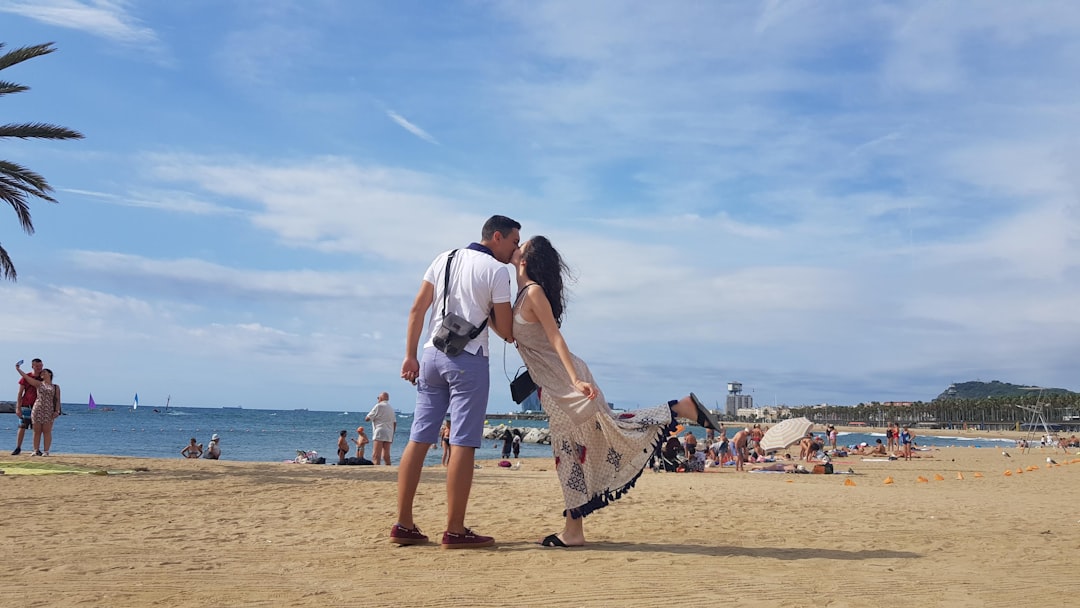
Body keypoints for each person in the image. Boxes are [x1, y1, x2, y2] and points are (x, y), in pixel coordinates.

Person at [510, 235, 721, 547]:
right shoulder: (520, 295)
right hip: (555, 384)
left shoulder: (533, 293)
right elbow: (507, 334)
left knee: (579, 448)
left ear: (527, 259)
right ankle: (678, 407)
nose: (517, 246)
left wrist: (576, 381)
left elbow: (556, 338)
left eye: (521, 244)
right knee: (581, 446)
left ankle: (574, 531)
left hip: (565, 383)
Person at [392, 215, 520, 549]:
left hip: (431, 354)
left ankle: (404, 523)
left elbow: (417, 309)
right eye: (514, 242)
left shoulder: (444, 257)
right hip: (469, 358)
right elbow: (506, 332)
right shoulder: (497, 271)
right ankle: (455, 529)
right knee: (463, 442)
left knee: (419, 439)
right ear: (496, 237)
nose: (516, 249)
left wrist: (409, 356)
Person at [14, 361, 60, 456]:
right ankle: (35, 450)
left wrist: (57, 411)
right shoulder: (39, 384)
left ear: (50, 374)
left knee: (47, 431)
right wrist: (18, 369)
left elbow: (57, 399)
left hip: (48, 409)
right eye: (42, 372)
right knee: (36, 430)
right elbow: (26, 378)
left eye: (44, 372)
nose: (42, 373)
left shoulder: (55, 387)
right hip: (37, 408)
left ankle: (46, 451)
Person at [11, 357, 43, 455]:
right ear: (32, 366)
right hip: (26, 405)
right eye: (37, 366)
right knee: (22, 426)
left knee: (36, 428)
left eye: (40, 366)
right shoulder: (26, 377)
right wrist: (18, 407)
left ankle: (36, 449)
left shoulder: (43, 377)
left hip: (38, 406)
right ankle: (18, 447)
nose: (39, 368)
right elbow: (20, 393)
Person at [366, 392, 396, 465]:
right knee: (386, 455)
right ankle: (388, 467)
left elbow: (367, 418)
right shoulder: (391, 408)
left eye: (378, 398)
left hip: (380, 430)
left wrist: (374, 418)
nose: (378, 399)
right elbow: (394, 423)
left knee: (376, 455)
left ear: (381, 398)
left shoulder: (378, 406)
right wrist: (392, 434)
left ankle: (376, 468)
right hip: (389, 431)